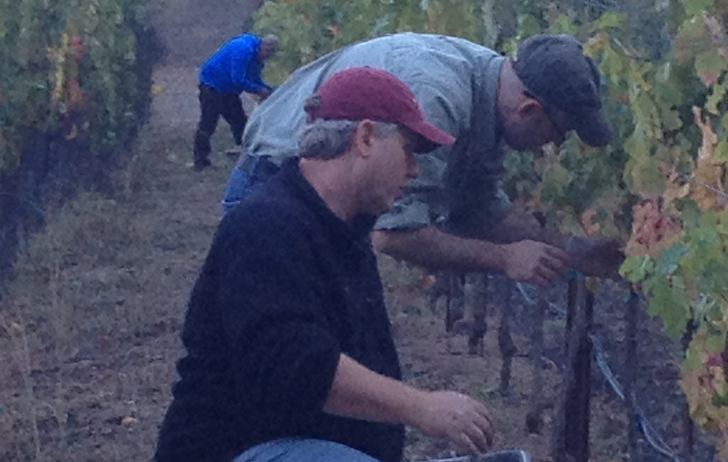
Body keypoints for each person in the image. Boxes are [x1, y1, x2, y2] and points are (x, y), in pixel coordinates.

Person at [156, 65, 497, 462]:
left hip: (298, 461)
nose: (416, 169)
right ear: (366, 137)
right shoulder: (269, 226)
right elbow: (298, 370)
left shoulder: (343, 233)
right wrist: (423, 413)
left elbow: (346, 380)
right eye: (412, 149)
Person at [223, 32, 623, 284]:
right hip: (277, 186)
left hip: (330, 205)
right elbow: (393, 233)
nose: (550, 146)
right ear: (529, 110)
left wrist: (573, 250)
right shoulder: (439, 95)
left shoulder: (490, 91)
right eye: (558, 133)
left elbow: (479, 210)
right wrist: (504, 258)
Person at [192, 32, 279, 169]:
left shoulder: (257, 59)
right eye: (267, 51)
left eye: (271, 53)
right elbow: (238, 79)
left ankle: (245, 155)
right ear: (261, 45)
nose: (267, 55)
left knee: (240, 122)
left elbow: (255, 78)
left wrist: (272, 90)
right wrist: (259, 90)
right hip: (212, 84)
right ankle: (200, 160)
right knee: (208, 123)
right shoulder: (242, 50)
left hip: (229, 90)